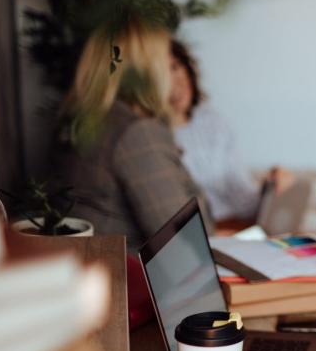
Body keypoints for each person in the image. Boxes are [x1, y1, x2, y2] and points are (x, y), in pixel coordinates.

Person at [55, 18, 212, 251]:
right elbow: (186, 244)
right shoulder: (137, 133)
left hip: (88, 272)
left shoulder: (80, 121)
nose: (172, 76)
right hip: (130, 281)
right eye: (166, 64)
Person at [168, 39, 290, 224]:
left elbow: (244, 198)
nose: (174, 81)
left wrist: (270, 189)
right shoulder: (151, 136)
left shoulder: (213, 122)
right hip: (202, 234)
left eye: (175, 67)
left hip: (239, 226)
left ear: (187, 69)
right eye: (163, 73)